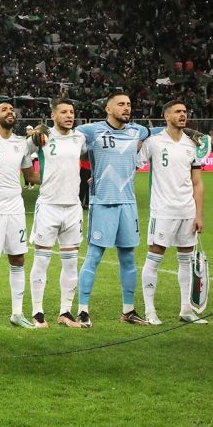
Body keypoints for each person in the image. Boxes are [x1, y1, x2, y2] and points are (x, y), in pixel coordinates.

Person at [74, 93, 152, 327]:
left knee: (128, 257)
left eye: (129, 104)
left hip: (128, 203)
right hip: (103, 203)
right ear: (108, 108)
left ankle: (128, 310)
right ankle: (82, 310)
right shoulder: (91, 131)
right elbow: (65, 136)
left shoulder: (137, 131)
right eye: (121, 104)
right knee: (94, 256)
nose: (126, 108)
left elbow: (157, 131)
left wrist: (190, 133)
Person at [138, 100, 206, 325]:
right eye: (178, 111)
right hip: (163, 211)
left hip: (187, 211)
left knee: (186, 261)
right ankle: (150, 310)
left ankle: (186, 310)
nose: (183, 114)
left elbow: (197, 183)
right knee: (154, 259)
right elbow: (135, 165)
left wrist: (198, 214)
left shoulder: (192, 144)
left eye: (185, 111)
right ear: (166, 116)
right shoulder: (154, 142)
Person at [0, 102, 39, 329]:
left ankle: (17, 313)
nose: (10, 112)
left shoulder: (21, 144)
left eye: (12, 110)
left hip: (15, 209)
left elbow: (30, 175)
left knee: (18, 258)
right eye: (4, 110)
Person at [26, 99, 86, 328]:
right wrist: (33, 134)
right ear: (53, 116)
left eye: (71, 111)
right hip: (48, 206)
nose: (69, 115)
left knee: (70, 263)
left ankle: (65, 312)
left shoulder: (79, 137)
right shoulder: (43, 136)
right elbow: (23, 150)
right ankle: (37, 312)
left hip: (72, 207)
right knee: (42, 260)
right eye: (64, 112)